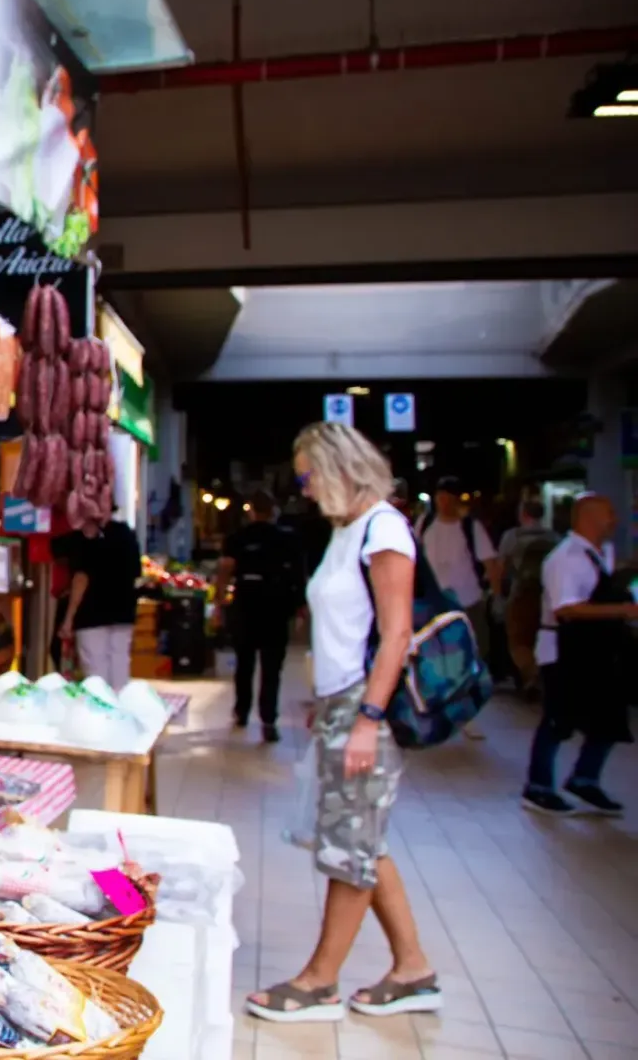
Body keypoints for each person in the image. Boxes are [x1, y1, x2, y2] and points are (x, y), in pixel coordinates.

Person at [247, 423, 439, 1023]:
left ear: (338, 467)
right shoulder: (346, 530)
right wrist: (326, 704)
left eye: (307, 476)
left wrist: (365, 719)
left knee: (348, 850)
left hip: (364, 708)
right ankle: (414, 970)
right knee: (364, 844)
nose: (304, 489)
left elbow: (396, 634)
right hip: (341, 704)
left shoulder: (384, 530)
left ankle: (319, 983)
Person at [520, 494, 637, 817]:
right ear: (589, 518)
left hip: (596, 652)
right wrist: (624, 609)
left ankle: (585, 778)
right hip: (561, 651)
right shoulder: (565, 558)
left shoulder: (603, 553)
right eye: (609, 512)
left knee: (609, 717)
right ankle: (538, 786)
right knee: (558, 719)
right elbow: (566, 608)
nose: (614, 518)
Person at [214, 492, 306, 743]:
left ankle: (242, 712)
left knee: (244, 663)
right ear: (273, 511)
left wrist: (219, 601)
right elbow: (299, 576)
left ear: (251, 511)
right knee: (272, 667)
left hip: (246, 605)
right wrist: (300, 607)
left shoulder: (238, 539)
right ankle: (268, 720)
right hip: (276, 608)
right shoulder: (287, 540)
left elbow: (225, 570)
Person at [419, 476, 503, 732]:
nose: (443, 503)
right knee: (434, 660)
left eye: (448, 497)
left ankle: (467, 714)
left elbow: (491, 564)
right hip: (434, 605)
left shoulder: (470, 527)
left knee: (469, 659)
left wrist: (497, 596)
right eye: (439, 497)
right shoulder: (426, 523)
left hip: (467, 602)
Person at [57, 510, 142, 691]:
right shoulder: (125, 533)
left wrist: (68, 619)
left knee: (96, 674)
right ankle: (119, 711)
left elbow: (81, 579)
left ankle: (101, 713)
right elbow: (136, 572)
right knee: (120, 666)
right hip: (123, 612)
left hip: (92, 614)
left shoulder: (83, 539)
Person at [497, 498, 559, 698]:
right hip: (547, 595)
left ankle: (531, 674)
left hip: (520, 594)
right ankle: (541, 674)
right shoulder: (555, 537)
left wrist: (498, 594)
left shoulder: (512, 537)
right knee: (539, 637)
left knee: (518, 641)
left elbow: (501, 568)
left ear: (523, 514)